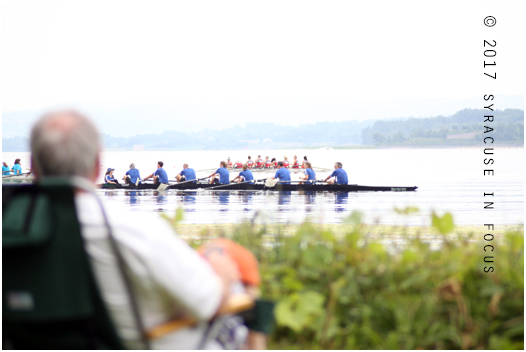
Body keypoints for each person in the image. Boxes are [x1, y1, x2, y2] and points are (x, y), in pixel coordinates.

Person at [29, 110, 244, 349]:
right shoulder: (138, 228)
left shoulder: (11, 231)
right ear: (98, 164)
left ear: (33, 167)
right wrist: (222, 270)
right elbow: (208, 302)